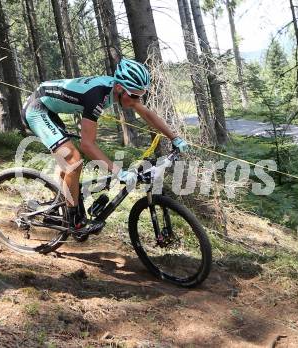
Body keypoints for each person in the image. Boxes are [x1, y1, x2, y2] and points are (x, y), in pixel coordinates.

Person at [22, 58, 187, 235]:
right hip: (37, 109)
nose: (135, 101)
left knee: (68, 166)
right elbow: (87, 145)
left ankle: (58, 206)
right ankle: (74, 220)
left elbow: (147, 114)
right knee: (74, 160)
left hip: (51, 109)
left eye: (139, 95)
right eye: (133, 95)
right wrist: (119, 172)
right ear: (118, 88)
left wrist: (174, 138)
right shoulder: (97, 96)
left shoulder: (118, 90)